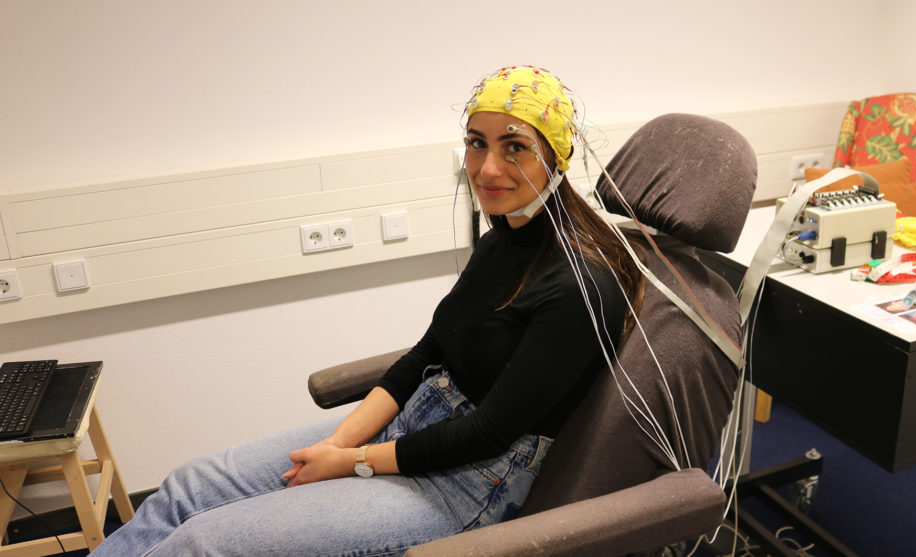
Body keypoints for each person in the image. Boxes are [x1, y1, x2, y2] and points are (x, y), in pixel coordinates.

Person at [92, 65, 645, 556]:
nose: (487, 168)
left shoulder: (581, 284)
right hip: (414, 426)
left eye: (515, 147)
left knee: (205, 542)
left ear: (556, 156)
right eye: (477, 143)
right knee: (187, 488)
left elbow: (487, 434)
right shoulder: (502, 239)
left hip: (467, 483)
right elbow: (426, 354)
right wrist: (339, 443)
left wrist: (350, 462)